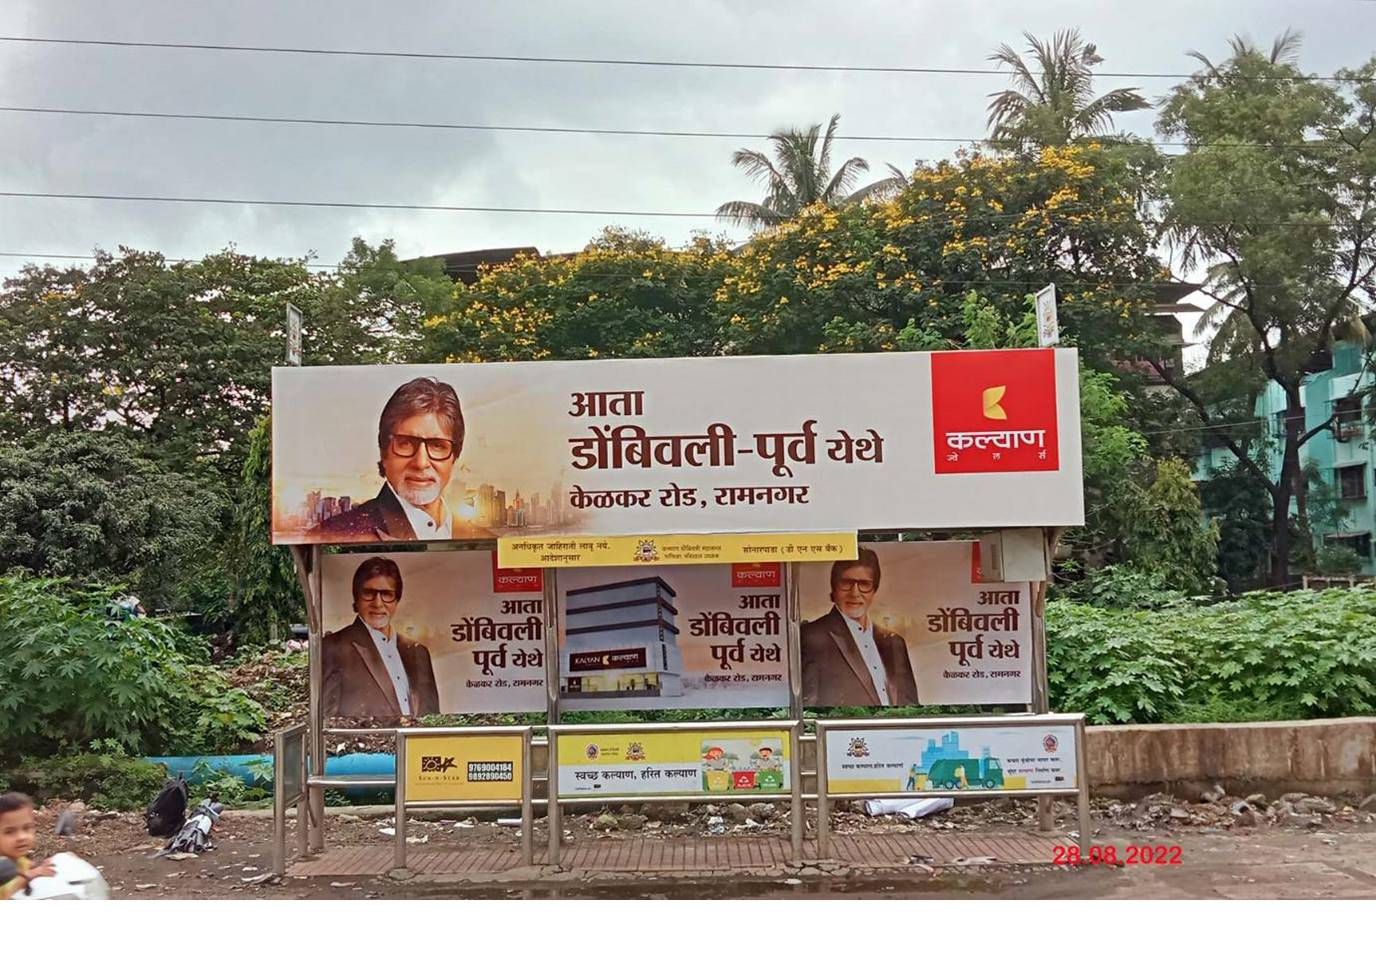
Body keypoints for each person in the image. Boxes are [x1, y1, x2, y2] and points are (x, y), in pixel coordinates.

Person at [310, 376, 478, 542]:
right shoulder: (334, 533)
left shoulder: (477, 534)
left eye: (437, 446)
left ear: (454, 457)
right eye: (405, 443)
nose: (421, 463)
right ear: (384, 452)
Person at [322, 557, 440, 717]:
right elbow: (326, 719)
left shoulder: (419, 652)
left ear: (396, 601)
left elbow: (431, 718)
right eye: (369, 593)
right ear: (356, 598)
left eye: (386, 594)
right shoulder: (333, 646)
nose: (378, 603)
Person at [801, 548, 919, 707]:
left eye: (864, 584)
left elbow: (910, 706)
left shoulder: (895, 642)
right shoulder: (811, 636)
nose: (855, 593)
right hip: (843, 732)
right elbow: (808, 707)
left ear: (874, 591)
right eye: (846, 583)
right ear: (834, 589)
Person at [1, 792, 55, 899]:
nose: (21, 837)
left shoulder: (21, 860)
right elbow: (4, 894)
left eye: (27, 828)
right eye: (9, 832)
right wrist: (31, 874)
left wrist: (41, 867)